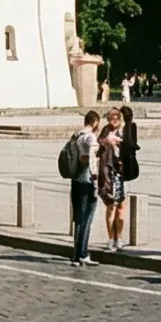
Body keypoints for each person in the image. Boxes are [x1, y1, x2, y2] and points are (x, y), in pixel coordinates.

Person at [62, 111, 101, 268]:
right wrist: (96, 178)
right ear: (95, 122)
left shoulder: (76, 135)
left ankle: (76, 254)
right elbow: (90, 159)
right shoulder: (90, 137)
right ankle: (83, 253)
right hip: (87, 179)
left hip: (75, 178)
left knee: (78, 218)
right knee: (86, 218)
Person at [95, 108, 129, 252]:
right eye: (112, 118)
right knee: (111, 206)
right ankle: (110, 238)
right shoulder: (105, 132)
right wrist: (106, 141)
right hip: (108, 172)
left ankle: (119, 237)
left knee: (121, 205)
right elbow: (99, 146)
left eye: (117, 118)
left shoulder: (124, 132)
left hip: (120, 173)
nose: (114, 120)